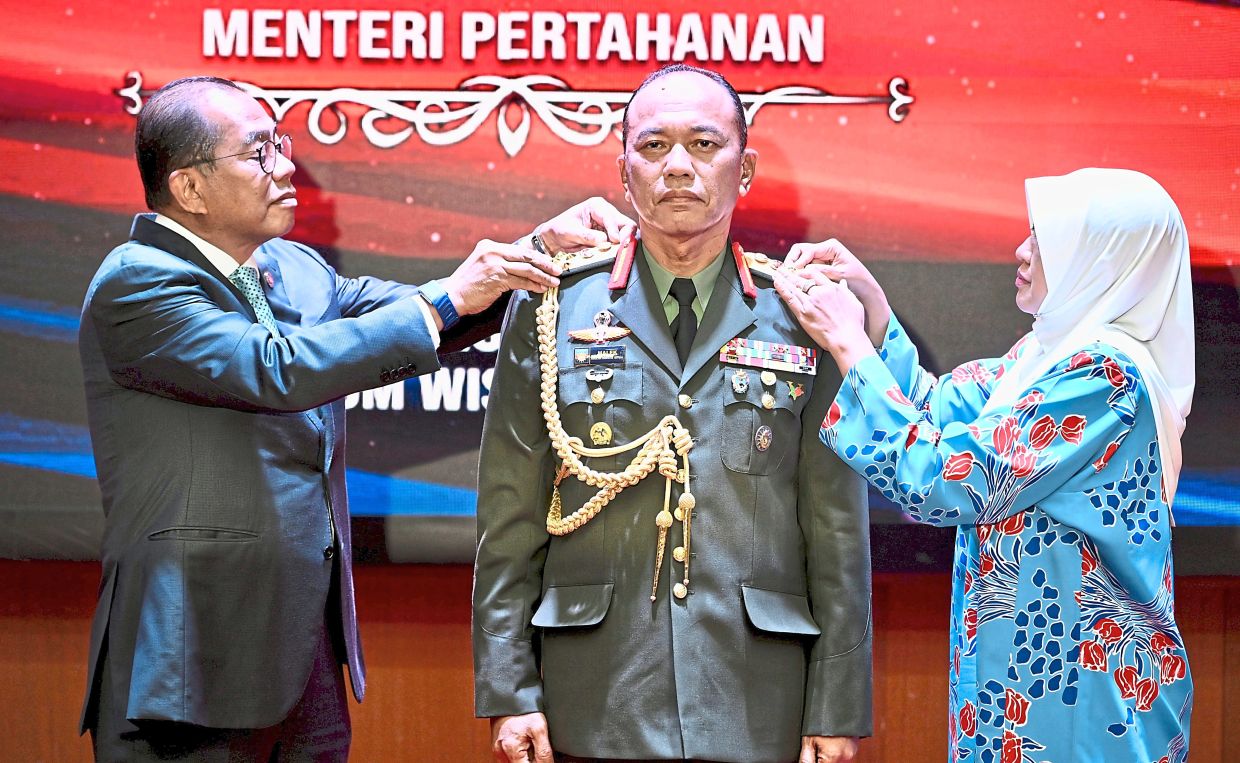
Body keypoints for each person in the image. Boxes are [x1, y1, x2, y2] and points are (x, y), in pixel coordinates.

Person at [77, 75, 631, 761]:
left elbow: (429, 309)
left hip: (305, 663)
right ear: (188, 187)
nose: (285, 166)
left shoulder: (293, 268)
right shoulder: (139, 281)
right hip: (191, 667)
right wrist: (447, 299)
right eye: (257, 153)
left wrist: (538, 250)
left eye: (279, 144)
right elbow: (275, 366)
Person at [473, 64, 873, 763]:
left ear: (743, 169)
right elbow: (507, 520)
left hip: (756, 703)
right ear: (622, 170)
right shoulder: (550, 307)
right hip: (594, 699)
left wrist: (836, 706)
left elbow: (836, 529)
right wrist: (509, 689)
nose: (679, 167)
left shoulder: (803, 314)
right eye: (654, 148)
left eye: (704, 145)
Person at [774, 168, 1194, 762]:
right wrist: (872, 307)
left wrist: (848, 346)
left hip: (1084, 707)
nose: (1021, 252)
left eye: (1044, 242)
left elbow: (945, 479)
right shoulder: (1045, 356)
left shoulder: (1107, 377)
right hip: (1023, 695)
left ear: (1099, 259)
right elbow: (933, 409)